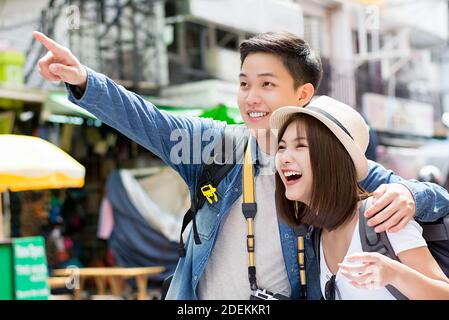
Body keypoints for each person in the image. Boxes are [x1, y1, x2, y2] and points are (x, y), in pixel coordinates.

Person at [33, 30, 449, 299]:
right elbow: (149, 120)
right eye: (244, 83)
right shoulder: (216, 146)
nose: (251, 98)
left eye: (267, 84)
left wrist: (411, 193)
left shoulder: (335, 160)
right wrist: (84, 80)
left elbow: (430, 198)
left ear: (303, 93)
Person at [272, 96, 449, 299]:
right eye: (282, 147)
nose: (284, 158)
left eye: (300, 146)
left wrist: (395, 273)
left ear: (332, 158)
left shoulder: (381, 214)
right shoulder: (318, 234)